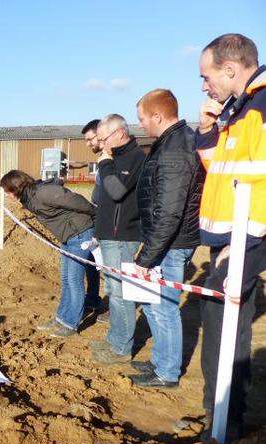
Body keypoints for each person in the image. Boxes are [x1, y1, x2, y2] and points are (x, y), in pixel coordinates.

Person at [195, 33, 266, 439]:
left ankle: (225, 420)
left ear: (230, 68)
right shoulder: (237, 111)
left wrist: (245, 241)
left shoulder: (262, 105)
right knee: (221, 315)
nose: (205, 86)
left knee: (224, 318)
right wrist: (207, 130)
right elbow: (219, 169)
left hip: (248, 234)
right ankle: (219, 416)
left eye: (206, 77)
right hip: (231, 236)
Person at [128, 89, 203, 389]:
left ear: (157, 116)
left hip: (171, 244)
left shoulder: (174, 150)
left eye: (142, 119)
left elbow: (170, 211)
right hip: (167, 242)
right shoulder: (170, 142)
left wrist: (147, 257)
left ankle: (167, 372)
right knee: (155, 306)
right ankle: (160, 361)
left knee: (164, 308)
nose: (141, 125)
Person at [0, 170, 97, 338]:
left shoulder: (44, 193)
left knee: (74, 280)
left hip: (80, 234)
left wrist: (96, 215)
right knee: (66, 279)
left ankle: (71, 323)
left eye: (7, 191)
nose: (7, 195)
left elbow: (76, 201)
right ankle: (61, 318)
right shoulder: (29, 198)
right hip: (68, 237)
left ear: (16, 187)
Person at [90, 114, 146, 364]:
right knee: (113, 290)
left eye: (103, 139)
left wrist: (104, 163)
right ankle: (115, 340)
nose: (101, 145)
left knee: (120, 292)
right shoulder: (116, 158)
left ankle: (121, 348)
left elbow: (116, 191)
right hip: (109, 235)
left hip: (122, 236)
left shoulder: (133, 158)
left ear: (119, 133)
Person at [80, 119, 104, 317]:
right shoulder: (102, 160)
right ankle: (93, 298)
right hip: (97, 219)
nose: (88, 144)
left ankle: (115, 308)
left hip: (110, 224)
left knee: (113, 269)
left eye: (90, 139)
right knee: (91, 262)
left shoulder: (110, 159)